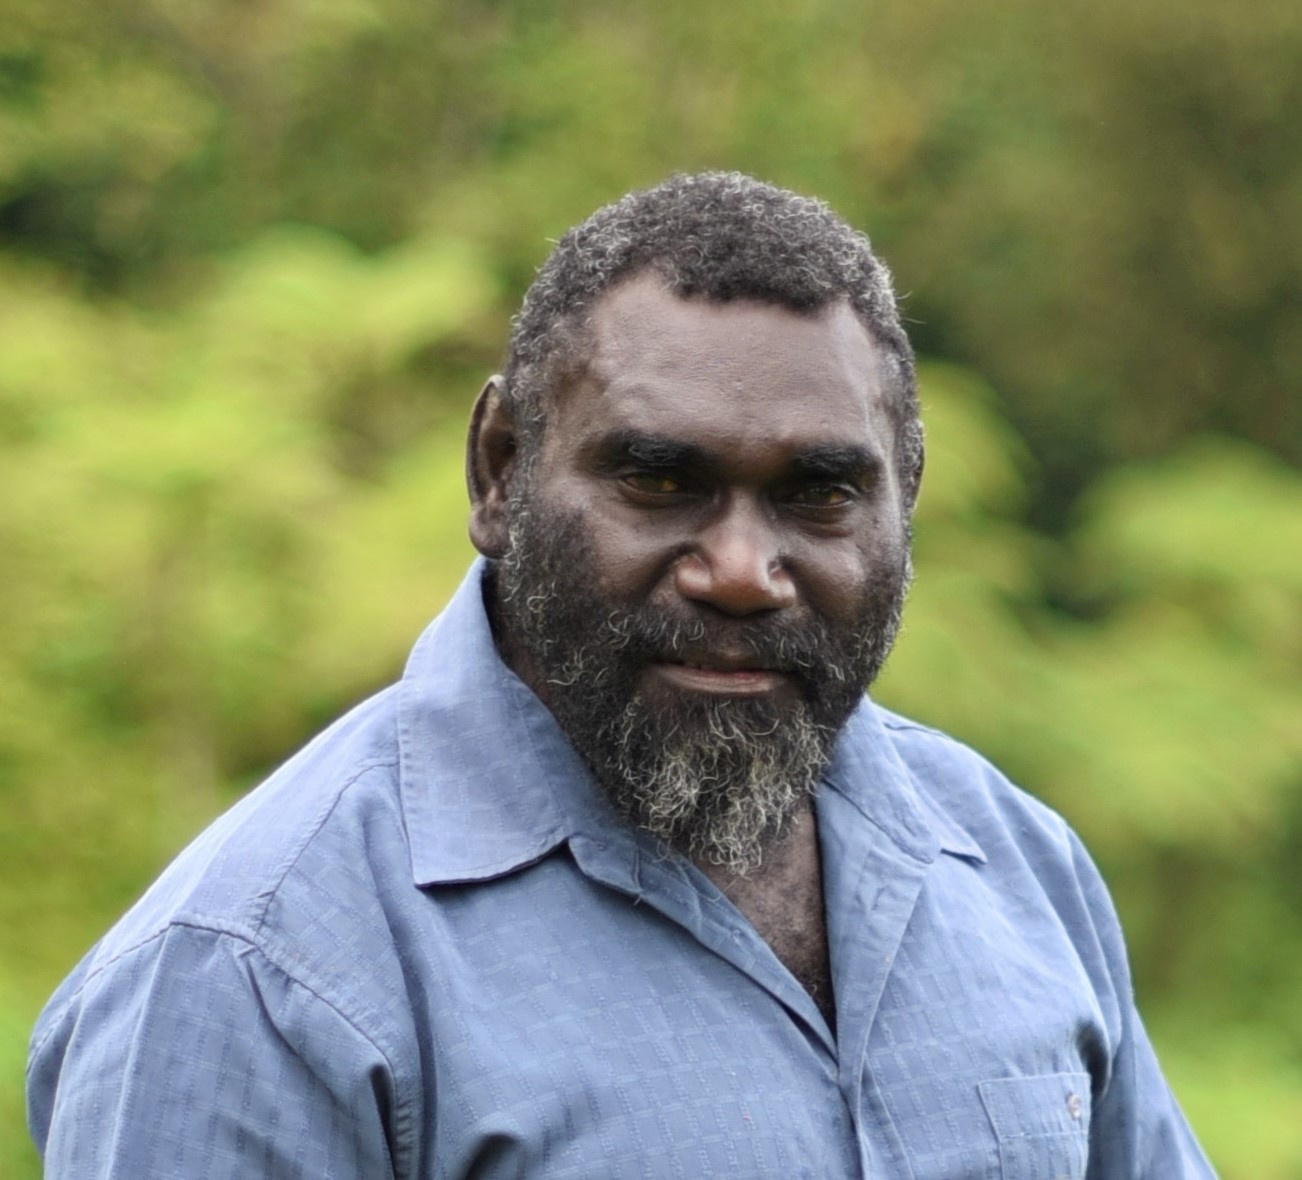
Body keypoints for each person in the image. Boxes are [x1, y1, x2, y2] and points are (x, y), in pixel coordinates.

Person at [27, 172, 1215, 1178]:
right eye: (659, 480)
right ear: (500, 471)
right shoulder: (253, 970)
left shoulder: (1014, 865)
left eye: (820, 492)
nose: (745, 571)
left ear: (906, 499)